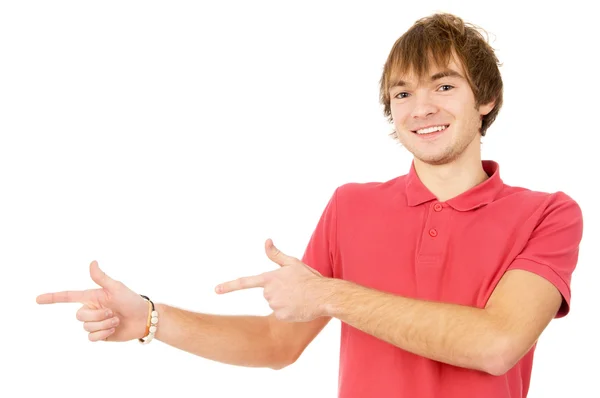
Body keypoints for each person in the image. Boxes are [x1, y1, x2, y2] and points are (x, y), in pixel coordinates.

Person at [36, 12, 584, 398]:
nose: (421, 108)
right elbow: (279, 343)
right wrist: (152, 318)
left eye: (443, 86)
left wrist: (329, 294)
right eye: (402, 93)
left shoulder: (548, 214)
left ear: (485, 99)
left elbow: (498, 344)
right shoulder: (351, 207)